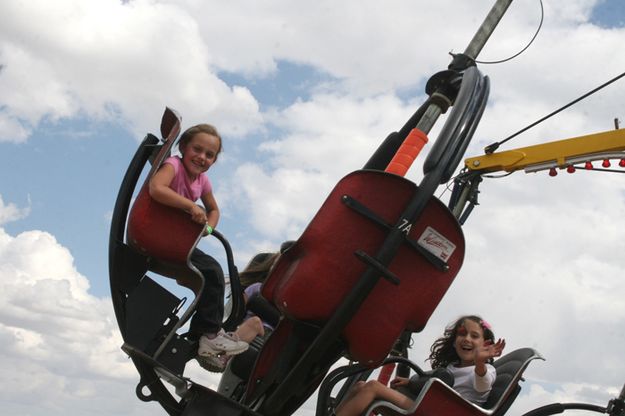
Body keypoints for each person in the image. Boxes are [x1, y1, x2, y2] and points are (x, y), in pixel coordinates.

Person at [149, 123, 248, 367]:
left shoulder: (202, 182)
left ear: (214, 161)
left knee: (210, 274)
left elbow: (214, 209)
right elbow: (156, 188)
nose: (202, 157)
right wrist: (191, 206)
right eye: (197, 149)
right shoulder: (173, 165)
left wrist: (208, 229)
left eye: (209, 155)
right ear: (183, 147)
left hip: (176, 240)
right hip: (158, 236)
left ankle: (199, 337)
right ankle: (209, 335)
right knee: (213, 270)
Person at [335, 315, 506, 416]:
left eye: (474, 336)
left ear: (486, 344)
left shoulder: (485, 371)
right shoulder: (452, 368)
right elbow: (431, 384)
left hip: (443, 413)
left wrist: (480, 362)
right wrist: (409, 383)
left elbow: (482, 385)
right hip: (430, 408)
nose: (467, 339)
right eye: (462, 334)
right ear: (454, 343)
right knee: (360, 386)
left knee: (372, 387)